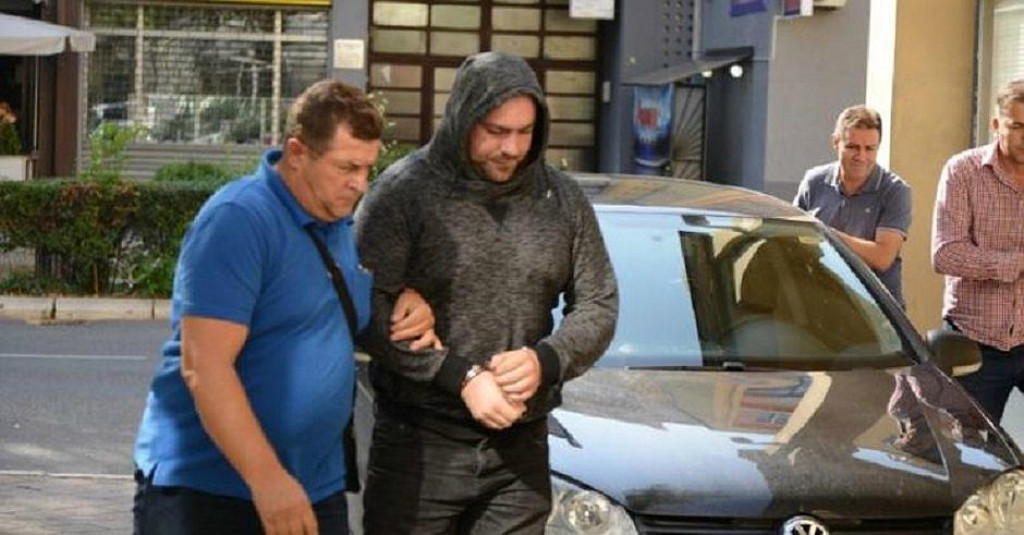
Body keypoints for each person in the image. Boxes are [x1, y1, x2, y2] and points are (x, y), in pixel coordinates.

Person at [132, 80, 437, 535]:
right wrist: (267, 479)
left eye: (368, 168)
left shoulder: (338, 223)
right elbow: (205, 366)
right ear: (297, 153)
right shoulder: (239, 219)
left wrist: (408, 302)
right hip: (211, 492)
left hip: (314, 486)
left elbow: (342, 313)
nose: (360, 184)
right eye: (347, 167)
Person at [354, 51, 619, 534]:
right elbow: (363, 306)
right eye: (496, 131)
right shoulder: (403, 193)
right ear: (463, 119)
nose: (511, 148)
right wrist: (459, 376)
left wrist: (546, 360)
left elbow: (599, 303)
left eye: (524, 132)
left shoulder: (562, 200)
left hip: (521, 454)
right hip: (418, 447)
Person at [932, 79, 1024, 423]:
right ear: (996, 124)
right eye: (1018, 127)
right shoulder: (962, 171)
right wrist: (1014, 264)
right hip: (975, 342)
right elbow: (945, 253)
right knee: (970, 446)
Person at [794, 105, 912, 306]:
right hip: (817, 302)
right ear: (835, 142)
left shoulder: (895, 191)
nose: (861, 156)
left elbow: (883, 257)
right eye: (853, 147)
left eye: (870, 149)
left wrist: (824, 234)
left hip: (873, 310)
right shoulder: (814, 181)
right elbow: (794, 237)